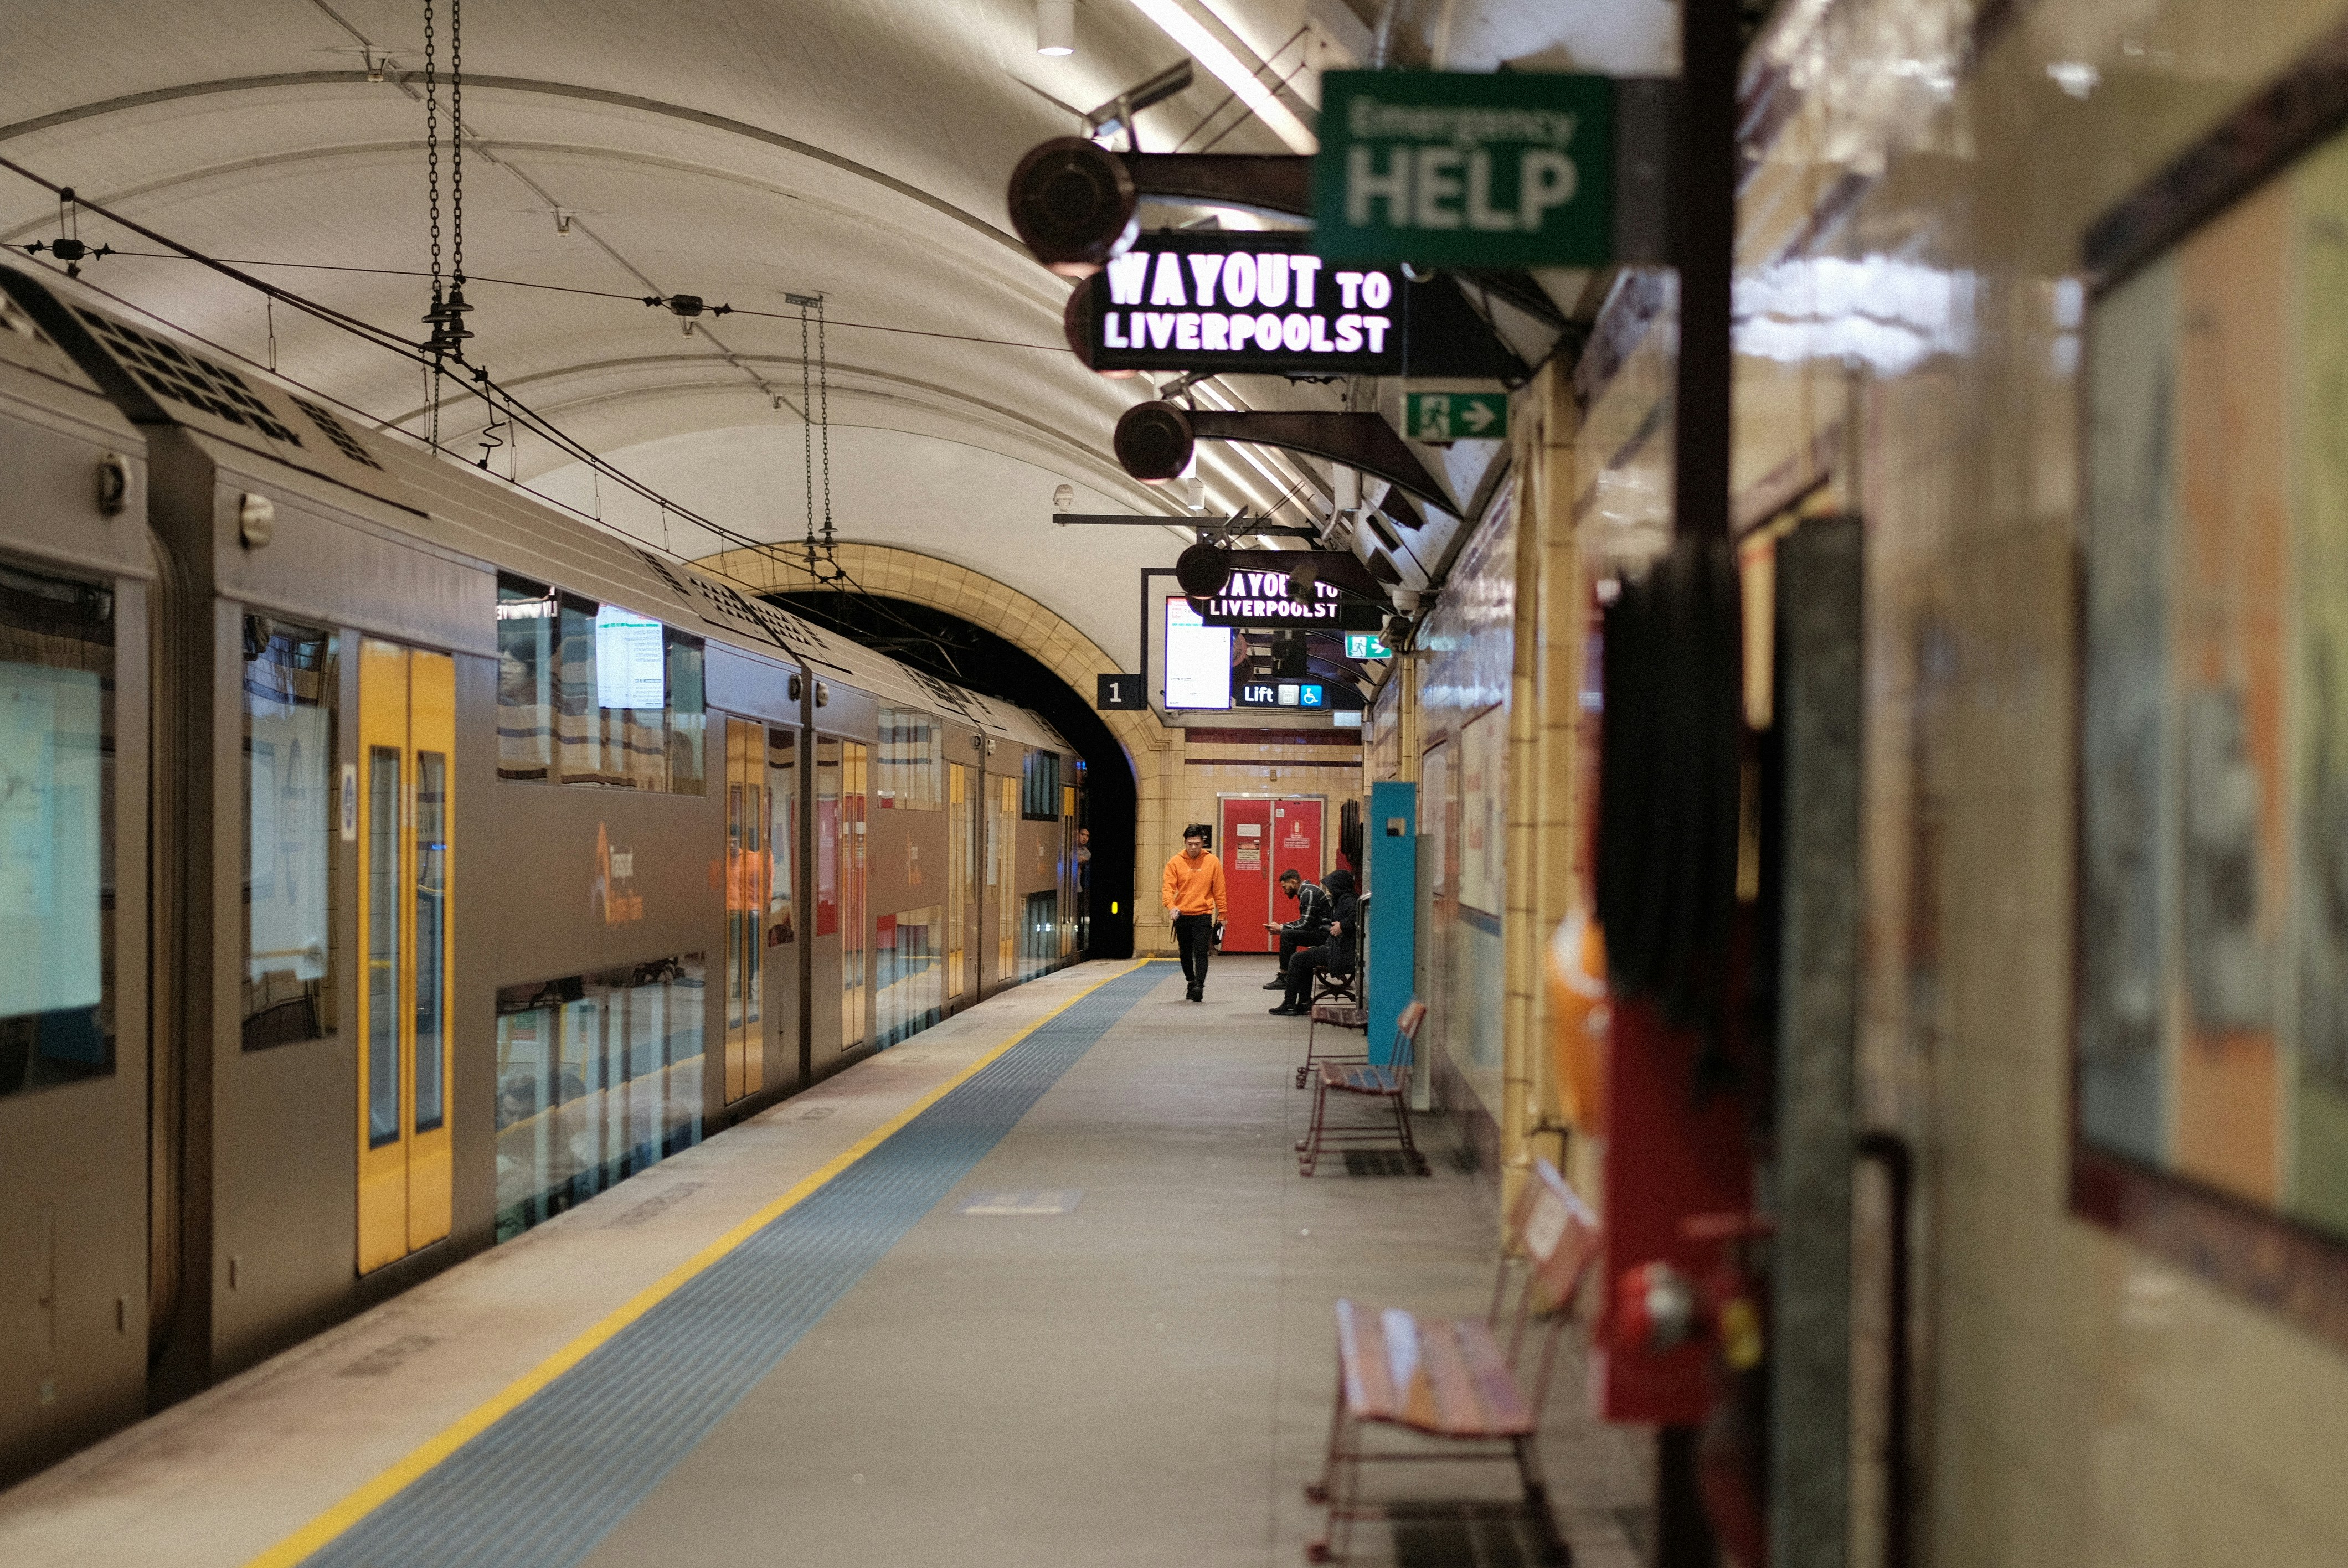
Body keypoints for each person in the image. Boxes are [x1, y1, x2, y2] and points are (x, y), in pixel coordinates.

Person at [1271, 867, 1356, 1015]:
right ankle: (1303, 1003)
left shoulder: (1348, 901)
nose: (1329, 892)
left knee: (1296, 959)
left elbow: (1355, 916)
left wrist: (1342, 926)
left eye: (1331, 888)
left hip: (1339, 951)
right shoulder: (1345, 899)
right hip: (1336, 946)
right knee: (1303, 959)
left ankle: (1289, 1003)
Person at [1161, 824, 1226, 1002]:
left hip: (1203, 914)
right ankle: (1191, 981)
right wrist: (1171, 906)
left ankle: (1199, 986)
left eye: (1197, 843)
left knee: (1201, 951)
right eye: (1190, 844)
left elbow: (1219, 891)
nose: (1193, 847)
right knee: (1185, 953)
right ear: (1185, 842)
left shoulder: (1213, 862)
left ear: (1202, 843)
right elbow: (1168, 889)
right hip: (1182, 915)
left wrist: (1223, 915)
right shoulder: (1175, 862)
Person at [1261, 868, 1333, 990]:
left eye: (1285, 887)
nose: (1284, 891)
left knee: (1287, 935)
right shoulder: (1306, 892)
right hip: (1320, 930)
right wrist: (1283, 927)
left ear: (1294, 883)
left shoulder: (1309, 893)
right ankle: (1286, 975)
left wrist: (1282, 927)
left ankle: (1284, 976)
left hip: (1324, 933)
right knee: (1288, 933)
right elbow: (1307, 922)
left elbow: (1306, 923)